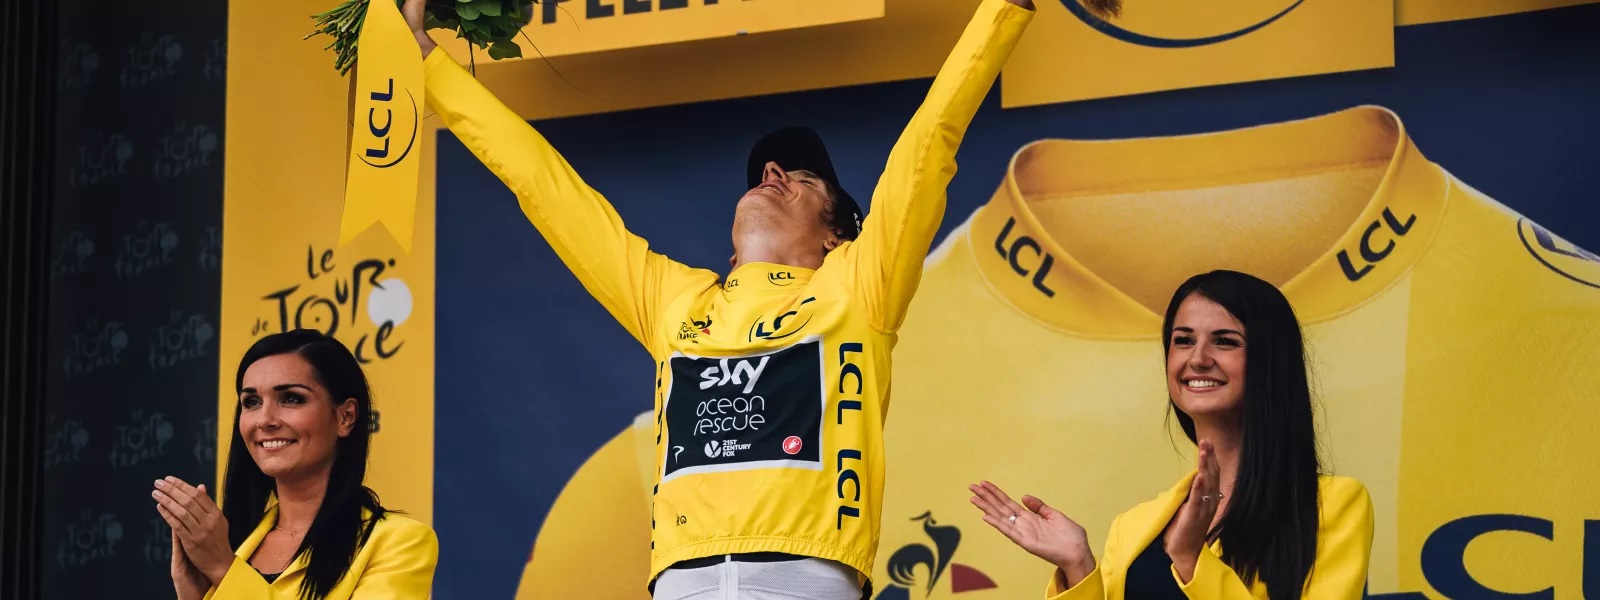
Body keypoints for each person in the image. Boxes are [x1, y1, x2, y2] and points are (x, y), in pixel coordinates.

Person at [402, 0, 1034, 595]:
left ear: (837, 236)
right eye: (766, 174)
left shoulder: (857, 283)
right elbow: (547, 188)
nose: (773, 175)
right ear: (731, 252)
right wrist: (429, 64)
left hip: (805, 575)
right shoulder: (676, 301)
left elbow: (928, 145)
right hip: (682, 580)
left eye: (802, 177)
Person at [969, 270, 1374, 599]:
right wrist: (1077, 567)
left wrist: (1190, 558)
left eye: (1225, 341)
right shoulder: (1133, 525)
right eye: (1183, 340)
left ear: (1270, 362)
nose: (1198, 358)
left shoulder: (1333, 505)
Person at [152, 330, 438, 600]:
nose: (265, 420)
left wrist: (223, 569)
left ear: (346, 417)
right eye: (251, 402)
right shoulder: (235, 543)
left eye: (291, 398)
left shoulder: (400, 542)